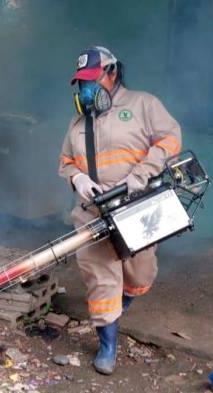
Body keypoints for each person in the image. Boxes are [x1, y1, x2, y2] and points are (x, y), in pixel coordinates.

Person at [58, 46, 182, 375]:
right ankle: (107, 343)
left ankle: (118, 307)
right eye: (81, 83)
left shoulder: (143, 104)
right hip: (92, 211)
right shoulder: (77, 121)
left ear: (112, 72)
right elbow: (65, 162)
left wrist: (141, 175)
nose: (86, 89)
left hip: (137, 205)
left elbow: (171, 138)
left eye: (92, 79)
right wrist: (78, 178)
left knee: (140, 274)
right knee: (101, 278)